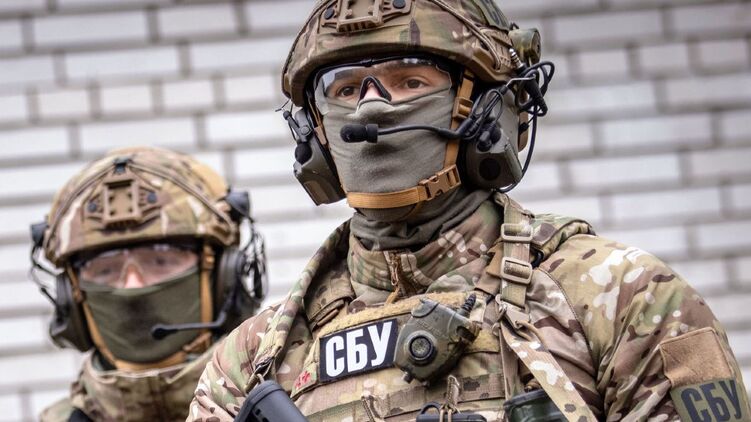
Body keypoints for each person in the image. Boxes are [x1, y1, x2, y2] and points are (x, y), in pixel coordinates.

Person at [188, 1, 749, 421]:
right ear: (316, 134)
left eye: (410, 81)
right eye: (347, 89)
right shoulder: (251, 362)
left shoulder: (622, 297)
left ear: (486, 109)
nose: (371, 111)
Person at [30, 146, 266, 422]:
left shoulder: (293, 402)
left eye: (160, 260)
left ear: (224, 278)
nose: (132, 285)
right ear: (71, 296)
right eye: (106, 269)